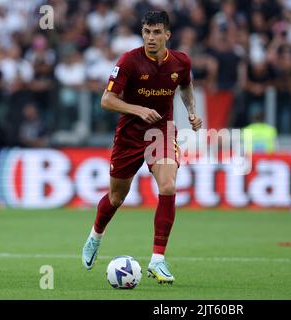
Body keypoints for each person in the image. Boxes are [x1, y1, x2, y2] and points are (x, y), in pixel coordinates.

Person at [81, 11, 202, 285]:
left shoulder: (181, 61)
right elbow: (107, 100)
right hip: (129, 135)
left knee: (168, 186)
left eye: (156, 32)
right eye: (147, 31)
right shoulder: (129, 61)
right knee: (116, 198)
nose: (150, 37)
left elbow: (185, 86)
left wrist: (192, 112)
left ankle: (158, 260)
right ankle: (96, 235)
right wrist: (138, 109)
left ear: (167, 35)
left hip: (161, 132)